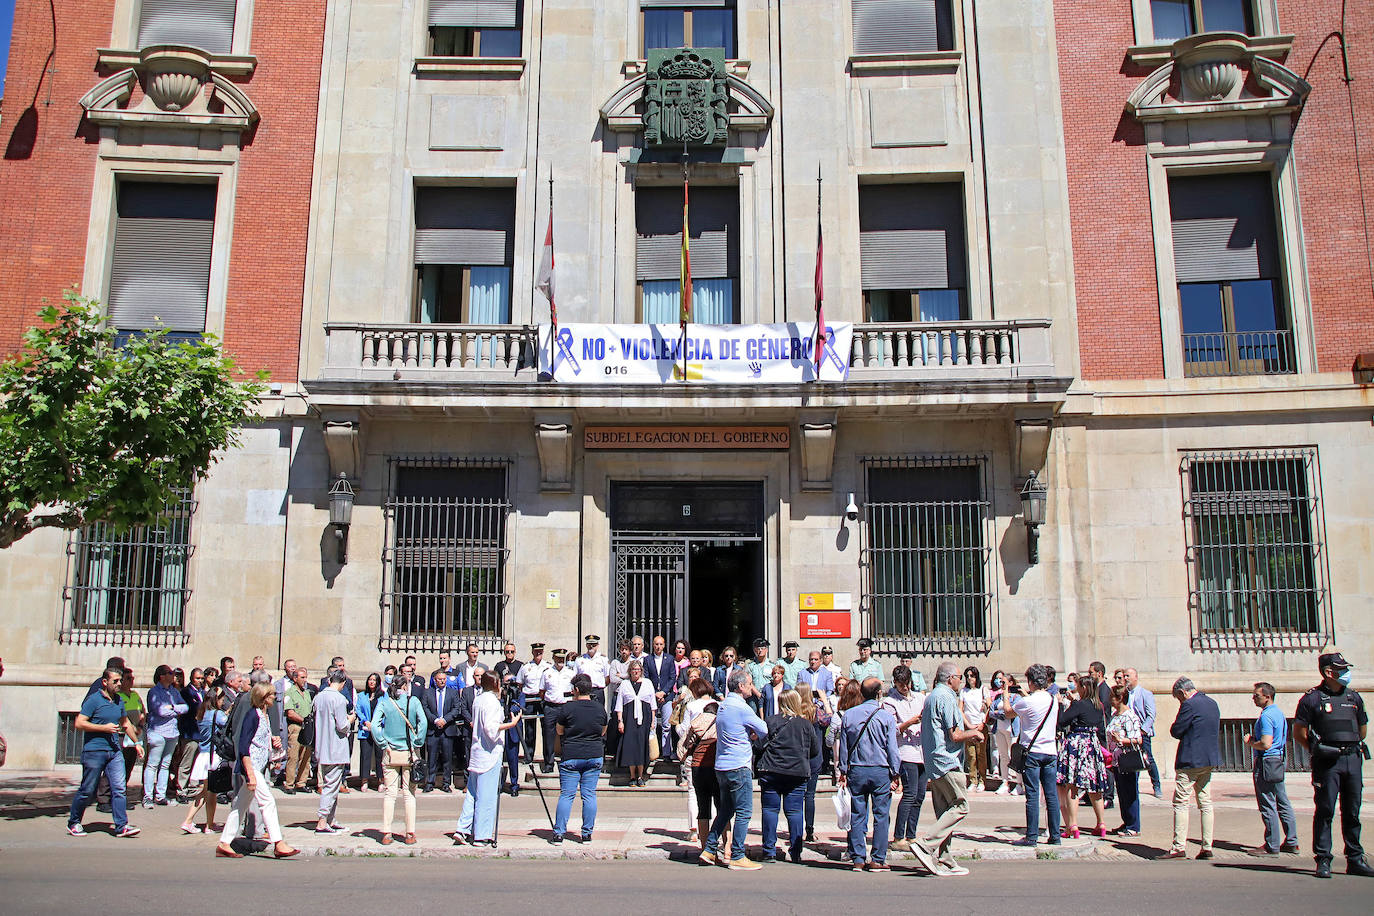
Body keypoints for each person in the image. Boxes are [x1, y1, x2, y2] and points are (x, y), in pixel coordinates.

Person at [1294, 652, 1371, 878]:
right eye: (1341, 669)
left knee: (1352, 811)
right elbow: (1299, 732)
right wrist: (1317, 751)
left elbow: (1362, 729)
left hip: (1352, 759)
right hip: (1327, 762)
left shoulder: (1353, 698)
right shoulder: (1312, 699)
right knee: (1326, 810)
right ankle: (1323, 860)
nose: (1346, 673)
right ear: (1329, 673)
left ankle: (1355, 859)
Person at [911, 662, 983, 876]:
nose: (960, 680)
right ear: (950, 678)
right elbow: (955, 735)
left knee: (945, 812)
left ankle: (946, 859)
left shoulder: (932, 697)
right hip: (947, 760)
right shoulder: (946, 697)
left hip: (934, 761)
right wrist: (975, 734)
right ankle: (925, 844)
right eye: (959, 676)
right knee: (961, 806)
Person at [215, 683, 298, 859]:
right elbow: (244, 746)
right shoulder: (252, 716)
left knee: (240, 805)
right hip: (250, 767)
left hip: (257, 766)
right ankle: (279, 843)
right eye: (271, 695)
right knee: (267, 801)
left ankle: (224, 842)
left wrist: (273, 745)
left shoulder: (263, 715)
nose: (275, 698)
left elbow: (259, 742)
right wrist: (250, 774)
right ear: (263, 697)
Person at [701, 669, 769, 870]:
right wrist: (753, 733)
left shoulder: (723, 706)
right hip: (738, 765)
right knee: (744, 811)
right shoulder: (742, 707)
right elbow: (763, 728)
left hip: (722, 766)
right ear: (741, 686)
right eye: (749, 684)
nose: (751, 688)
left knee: (726, 810)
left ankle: (709, 849)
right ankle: (738, 855)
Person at [68, 665, 143, 838]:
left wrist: (137, 743)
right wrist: (103, 728)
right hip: (94, 751)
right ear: (104, 682)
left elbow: (125, 723)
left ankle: (121, 826)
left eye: (120, 681)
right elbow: (79, 723)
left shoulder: (118, 701)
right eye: (115, 681)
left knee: (119, 788)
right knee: (87, 789)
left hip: (114, 752)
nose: (119, 684)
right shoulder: (94, 700)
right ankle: (74, 822)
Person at [837, 678, 900, 872]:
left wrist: (843, 770)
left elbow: (844, 746)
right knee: (881, 815)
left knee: (858, 813)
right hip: (880, 768)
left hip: (857, 767)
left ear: (862, 693)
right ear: (879, 693)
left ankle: (858, 857)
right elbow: (892, 748)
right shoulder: (886, 717)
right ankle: (878, 858)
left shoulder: (849, 715)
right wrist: (895, 772)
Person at [455, 672, 521, 847]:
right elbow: (491, 730)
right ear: (496, 683)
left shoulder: (479, 698)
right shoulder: (491, 702)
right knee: (487, 796)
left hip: (477, 752)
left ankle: (463, 828)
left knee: (472, 794)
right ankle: (481, 835)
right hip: (488, 754)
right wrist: (512, 724)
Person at [758, 688, 821, 864]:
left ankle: (769, 850)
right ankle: (795, 851)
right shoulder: (806, 724)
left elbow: (759, 744)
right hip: (797, 772)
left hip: (771, 770)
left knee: (770, 810)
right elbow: (815, 751)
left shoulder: (770, 721)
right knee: (794, 811)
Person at [1163, 675, 1221, 860]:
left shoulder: (1189, 705)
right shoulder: (1212, 703)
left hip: (1190, 760)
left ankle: (1178, 846)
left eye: (1178, 697)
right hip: (1208, 759)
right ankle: (1207, 845)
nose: (1179, 701)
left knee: (1181, 802)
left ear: (1182, 692)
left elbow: (1177, 730)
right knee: (1205, 802)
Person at [1242, 681, 1298, 856]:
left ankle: (1271, 844)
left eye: (1256, 695)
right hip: (1278, 760)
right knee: (1282, 801)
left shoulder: (1267, 716)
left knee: (1267, 803)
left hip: (1267, 761)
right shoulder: (1278, 713)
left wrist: (1250, 742)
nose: (1253, 698)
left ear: (1267, 697)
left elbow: (1266, 743)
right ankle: (1291, 841)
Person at [1008, 664, 1061, 847]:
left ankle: (1031, 836)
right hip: (1050, 751)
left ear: (1030, 682)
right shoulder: (1053, 699)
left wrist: (1007, 694)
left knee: (1032, 794)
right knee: (1051, 795)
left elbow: (1008, 712)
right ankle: (1055, 835)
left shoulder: (1027, 701)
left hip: (1032, 751)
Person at [551, 673, 607, 843]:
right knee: (589, 794)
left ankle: (560, 831)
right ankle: (587, 832)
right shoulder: (599, 709)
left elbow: (559, 731)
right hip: (594, 754)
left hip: (571, 755)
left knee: (567, 795)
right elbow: (603, 731)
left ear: (575, 690)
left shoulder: (567, 708)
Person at [371, 673, 425, 846]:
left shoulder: (385, 702)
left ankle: (386, 832)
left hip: (390, 752)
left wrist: (382, 742)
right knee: (409, 794)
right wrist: (418, 741)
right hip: (409, 752)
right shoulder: (413, 701)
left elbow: (374, 725)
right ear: (405, 686)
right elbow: (422, 722)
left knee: (390, 793)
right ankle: (409, 833)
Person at [1055, 675, 1108, 838]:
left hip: (1077, 743)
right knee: (1094, 786)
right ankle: (1101, 823)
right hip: (1092, 743)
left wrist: (1062, 705)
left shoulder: (1079, 704)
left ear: (1084, 688)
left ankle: (1072, 825)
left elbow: (1063, 721)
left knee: (1073, 785)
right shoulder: (1099, 705)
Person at [883, 665, 926, 850]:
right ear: (895, 683)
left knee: (920, 795)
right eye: (901, 685)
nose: (905, 688)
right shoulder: (890, 702)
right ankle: (899, 836)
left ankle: (911, 834)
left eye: (907, 684)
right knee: (909, 793)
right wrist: (909, 722)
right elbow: (892, 730)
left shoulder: (921, 698)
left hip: (921, 752)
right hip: (905, 752)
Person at [180, 686, 227, 834]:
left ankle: (191, 821)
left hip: (204, 755)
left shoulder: (203, 713)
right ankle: (208, 825)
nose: (223, 701)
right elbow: (227, 725)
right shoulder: (217, 715)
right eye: (222, 699)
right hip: (212, 756)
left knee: (205, 791)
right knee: (211, 793)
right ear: (216, 700)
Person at [313, 670, 355, 834]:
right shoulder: (338, 699)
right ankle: (323, 820)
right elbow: (342, 725)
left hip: (322, 745)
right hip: (335, 747)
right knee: (331, 785)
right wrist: (350, 719)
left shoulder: (319, 697)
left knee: (333, 784)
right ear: (343, 682)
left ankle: (330, 818)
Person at [677, 677, 718, 843]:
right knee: (715, 794)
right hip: (713, 753)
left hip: (695, 753)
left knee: (694, 792)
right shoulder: (718, 705)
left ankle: (695, 830)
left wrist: (677, 728)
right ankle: (715, 830)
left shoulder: (692, 706)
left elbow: (686, 730)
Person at [144, 664, 189, 808]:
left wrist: (173, 708)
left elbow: (185, 707)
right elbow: (159, 711)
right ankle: (147, 796)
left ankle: (161, 795)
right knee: (152, 764)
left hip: (172, 732)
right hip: (157, 731)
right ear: (162, 676)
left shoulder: (174, 692)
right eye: (170, 673)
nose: (173, 675)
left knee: (165, 765)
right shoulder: (154, 692)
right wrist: (175, 710)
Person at [1105, 684, 1143, 837]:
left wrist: (1121, 739)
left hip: (1127, 759)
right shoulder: (1115, 715)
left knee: (1130, 792)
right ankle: (1127, 821)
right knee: (1121, 792)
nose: (1110, 700)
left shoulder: (1129, 716)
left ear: (1120, 698)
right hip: (1116, 759)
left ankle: (1134, 825)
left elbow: (1138, 739)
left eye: (1112, 697)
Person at [420, 668, 461, 793]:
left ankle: (446, 783)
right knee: (432, 758)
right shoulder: (428, 692)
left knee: (447, 758)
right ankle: (430, 782)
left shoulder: (452, 693)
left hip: (447, 729)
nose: (442, 681)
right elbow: (425, 707)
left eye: (444, 679)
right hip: (433, 730)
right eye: (440, 679)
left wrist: (445, 720)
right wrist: (435, 720)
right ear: (435, 680)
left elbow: (456, 708)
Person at [615, 659, 655, 786]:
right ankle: (632, 776)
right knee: (631, 746)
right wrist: (620, 721)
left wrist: (653, 722)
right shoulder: (625, 684)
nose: (636, 672)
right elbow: (619, 704)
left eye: (638, 669)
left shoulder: (648, 683)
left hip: (645, 718)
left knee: (641, 745)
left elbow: (653, 704)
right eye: (633, 669)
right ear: (630, 671)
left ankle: (640, 776)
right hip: (629, 718)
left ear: (641, 671)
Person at [1125, 667, 1161, 796]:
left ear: (1136, 677)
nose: (1125, 678)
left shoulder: (1145, 694)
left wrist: (1143, 730)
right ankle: (1133, 786)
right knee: (1133, 760)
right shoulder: (1125, 694)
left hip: (1142, 733)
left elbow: (1151, 715)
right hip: (1129, 733)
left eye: (1128, 676)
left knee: (1148, 758)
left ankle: (1156, 785)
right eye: (1124, 676)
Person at [171, 667, 205, 799]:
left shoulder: (202, 692)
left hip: (200, 732)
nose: (200, 681)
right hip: (189, 731)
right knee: (186, 761)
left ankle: (192, 786)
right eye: (197, 678)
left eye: (202, 678)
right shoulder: (186, 692)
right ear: (192, 678)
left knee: (196, 761)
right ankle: (181, 788)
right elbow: (191, 709)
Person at [540, 649, 576, 773]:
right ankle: (549, 764)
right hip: (550, 707)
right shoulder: (547, 673)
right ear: (553, 658)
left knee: (566, 736)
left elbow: (574, 691)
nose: (561, 660)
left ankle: (566, 762)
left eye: (562, 658)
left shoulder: (571, 673)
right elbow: (542, 692)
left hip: (565, 707)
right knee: (548, 736)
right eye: (558, 658)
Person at [645, 636, 678, 764]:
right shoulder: (647, 659)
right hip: (652, 696)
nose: (658, 647)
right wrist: (654, 693)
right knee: (651, 724)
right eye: (656, 644)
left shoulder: (669, 659)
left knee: (666, 725)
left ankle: (666, 753)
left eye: (660, 644)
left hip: (666, 696)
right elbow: (646, 676)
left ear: (664, 645)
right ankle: (651, 752)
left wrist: (663, 692)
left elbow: (672, 677)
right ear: (653, 645)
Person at [988, 671, 1021, 795]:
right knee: (1003, 756)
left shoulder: (1015, 697)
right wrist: (1001, 714)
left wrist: (1000, 713)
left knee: (1014, 756)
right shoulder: (998, 697)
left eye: (1003, 682)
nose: (1001, 684)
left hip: (1012, 730)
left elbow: (1012, 711)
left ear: (1010, 683)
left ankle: (1019, 783)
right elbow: (992, 711)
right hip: (1000, 729)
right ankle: (1005, 781)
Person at [518, 643, 550, 768]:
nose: (538, 654)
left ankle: (547, 757)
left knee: (546, 728)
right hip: (530, 699)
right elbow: (520, 683)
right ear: (532, 652)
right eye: (536, 652)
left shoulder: (548, 666)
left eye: (540, 652)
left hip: (543, 699)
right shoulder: (525, 667)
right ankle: (528, 755)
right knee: (529, 729)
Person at [282, 666, 312, 793]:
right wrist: (302, 719)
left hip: (307, 728)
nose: (305, 680)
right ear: (295, 679)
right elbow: (290, 712)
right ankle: (289, 783)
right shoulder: (290, 692)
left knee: (306, 756)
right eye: (302, 677)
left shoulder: (306, 693)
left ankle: (301, 782)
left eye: (306, 677)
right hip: (295, 727)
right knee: (293, 756)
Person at [959, 667, 989, 791]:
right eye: (968, 676)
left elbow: (989, 706)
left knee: (981, 753)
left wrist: (983, 722)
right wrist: (967, 724)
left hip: (980, 725)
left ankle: (982, 779)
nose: (970, 678)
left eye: (972, 676)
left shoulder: (983, 689)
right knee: (971, 755)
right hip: (969, 725)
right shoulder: (964, 691)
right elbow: (960, 709)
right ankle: (973, 779)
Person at [356, 673, 383, 791]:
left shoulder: (383, 696)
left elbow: (386, 710)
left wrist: (376, 723)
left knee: (379, 756)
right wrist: (365, 721)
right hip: (365, 729)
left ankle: (381, 780)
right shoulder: (362, 695)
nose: (372, 682)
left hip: (379, 729)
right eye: (370, 680)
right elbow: (358, 709)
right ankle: (364, 780)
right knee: (365, 755)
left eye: (374, 680)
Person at [607, 639, 632, 759]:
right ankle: (614, 749)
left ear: (630, 651)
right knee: (615, 720)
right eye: (622, 649)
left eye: (626, 649)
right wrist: (626, 678)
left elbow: (633, 677)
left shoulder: (634, 662)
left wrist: (621, 675)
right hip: (617, 695)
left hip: (629, 696)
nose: (624, 652)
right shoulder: (615, 663)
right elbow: (612, 679)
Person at [574, 635, 611, 707]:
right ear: (586, 645)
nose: (591, 646)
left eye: (594, 644)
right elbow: (575, 677)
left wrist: (599, 686)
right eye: (589, 644)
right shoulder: (579, 659)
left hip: (597, 691)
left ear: (597, 645)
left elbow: (607, 677)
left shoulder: (603, 659)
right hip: (583, 692)